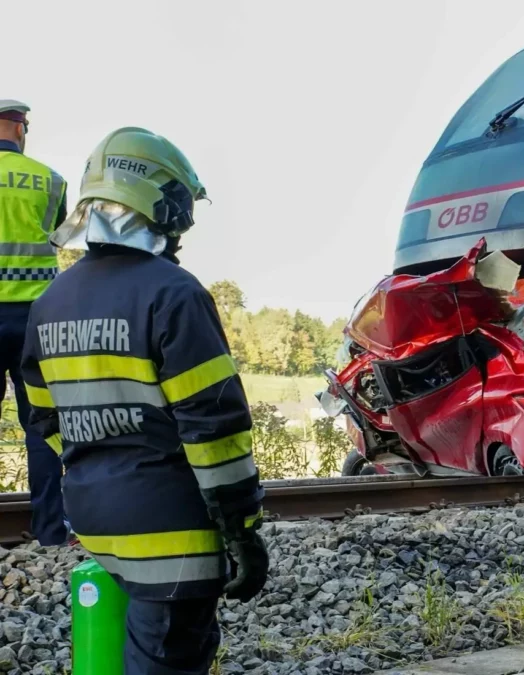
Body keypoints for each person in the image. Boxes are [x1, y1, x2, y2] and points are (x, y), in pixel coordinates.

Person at [20, 127, 269, 673]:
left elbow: (43, 417)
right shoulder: (175, 294)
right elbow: (215, 431)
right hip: (171, 531)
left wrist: (104, 463)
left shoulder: (49, 303)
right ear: (160, 203)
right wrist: (242, 531)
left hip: (94, 517)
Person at [0, 99, 69, 546]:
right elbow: (57, 234)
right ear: (20, 129)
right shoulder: (51, 180)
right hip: (36, 320)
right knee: (42, 425)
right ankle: (49, 531)